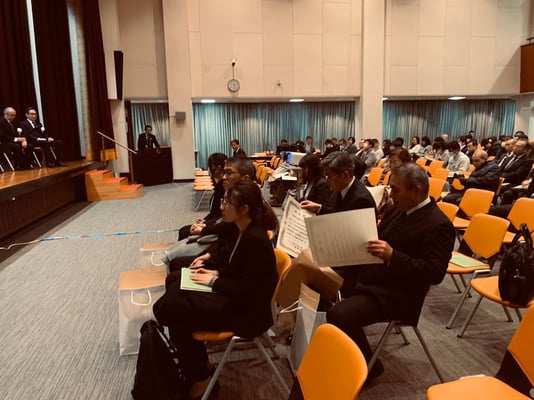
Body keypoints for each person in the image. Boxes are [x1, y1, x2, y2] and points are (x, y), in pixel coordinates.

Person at [326, 163, 455, 380]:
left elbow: (434, 273)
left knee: (338, 314)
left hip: (399, 294)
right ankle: (344, 351)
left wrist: (392, 256)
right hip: (376, 278)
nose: (391, 195)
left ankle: (369, 367)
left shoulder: (438, 224)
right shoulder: (398, 209)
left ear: (417, 190)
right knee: (323, 282)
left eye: (396, 190)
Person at [153, 180, 278, 399]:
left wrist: (213, 281)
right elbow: (232, 264)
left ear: (244, 209)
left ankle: (200, 376)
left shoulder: (255, 239)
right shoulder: (240, 228)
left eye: (227, 202)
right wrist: (214, 271)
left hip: (248, 313)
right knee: (176, 283)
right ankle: (199, 369)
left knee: (177, 313)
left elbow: (249, 290)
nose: (222, 206)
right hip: (234, 296)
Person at [300, 151, 375, 215]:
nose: (326, 180)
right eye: (325, 176)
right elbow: (335, 213)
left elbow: (344, 220)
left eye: (329, 176)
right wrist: (319, 208)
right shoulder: (340, 187)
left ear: (345, 175)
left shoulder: (362, 201)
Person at [177, 153, 227, 241]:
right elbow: (215, 213)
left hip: (217, 226)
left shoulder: (224, 188)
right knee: (183, 230)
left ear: (218, 168)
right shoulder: (219, 185)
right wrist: (205, 220)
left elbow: (222, 218)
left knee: (184, 232)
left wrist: (206, 225)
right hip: (215, 222)